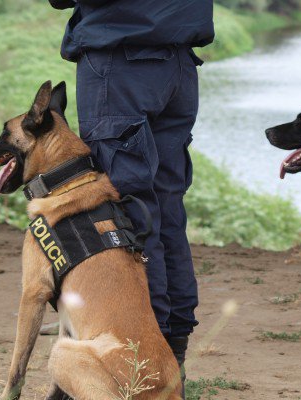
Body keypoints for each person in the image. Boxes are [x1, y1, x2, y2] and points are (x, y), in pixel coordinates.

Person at [49, 0, 215, 394]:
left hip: (123, 62)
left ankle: (140, 362)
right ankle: (171, 361)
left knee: (127, 213)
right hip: (177, 62)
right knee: (165, 209)